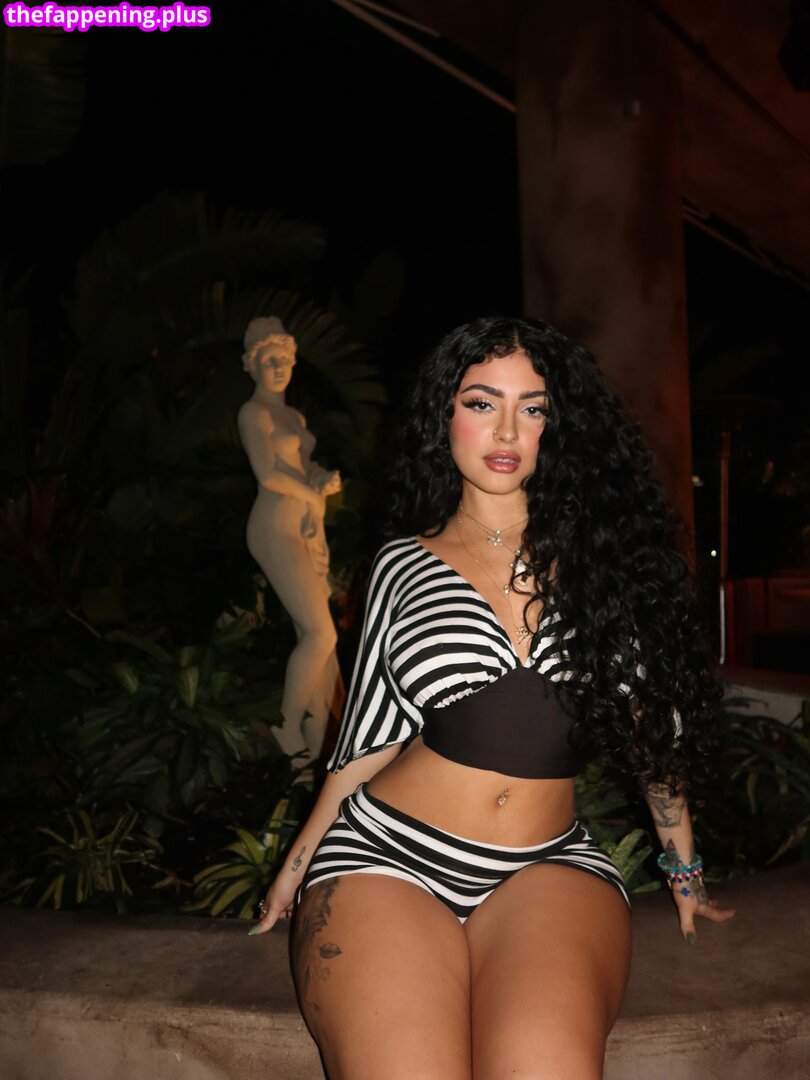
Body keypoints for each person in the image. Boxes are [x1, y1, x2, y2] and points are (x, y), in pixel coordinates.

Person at [250, 315, 734, 1079]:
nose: (507, 429)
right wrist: (297, 861)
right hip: (387, 857)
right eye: (481, 403)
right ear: (443, 415)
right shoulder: (402, 565)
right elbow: (368, 737)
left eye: (531, 408)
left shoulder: (608, 565)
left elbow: (651, 737)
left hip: (549, 865)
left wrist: (684, 871)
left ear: (555, 426)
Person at [237, 316, 343, 765]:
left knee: (321, 641)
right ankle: (286, 726)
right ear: (252, 364)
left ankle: (315, 750)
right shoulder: (254, 413)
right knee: (320, 633)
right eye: (269, 359)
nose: (279, 366)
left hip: (304, 529)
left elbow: (298, 469)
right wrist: (312, 496)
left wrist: (320, 479)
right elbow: (268, 474)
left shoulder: (293, 416)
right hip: (274, 528)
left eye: (284, 358)